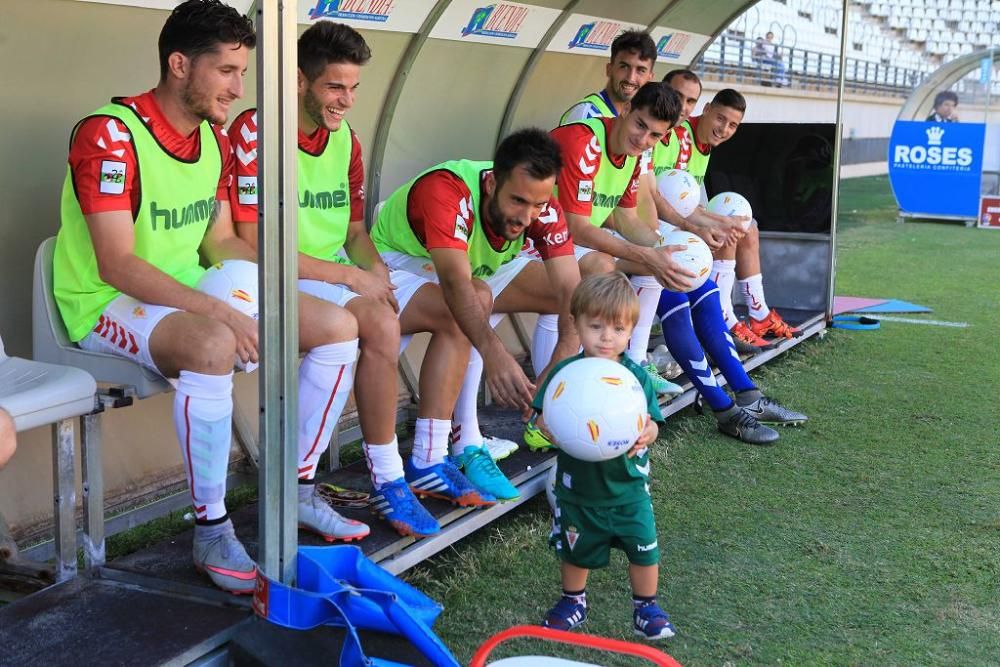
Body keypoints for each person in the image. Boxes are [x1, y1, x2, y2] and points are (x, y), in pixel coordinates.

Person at [52, 0, 364, 594]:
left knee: (336, 328)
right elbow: (117, 265)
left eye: (242, 73)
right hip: (102, 301)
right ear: (178, 64)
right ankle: (212, 529)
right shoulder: (110, 134)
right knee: (216, 343)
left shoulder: (215, 141)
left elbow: (220, 242)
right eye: (226, 72)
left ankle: (294, 486)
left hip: (184, 291)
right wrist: (222, 309)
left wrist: (276, 287)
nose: (237, 88)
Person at [229, 21, 494, 539]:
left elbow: (353, 230)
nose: (346, 100)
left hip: (330, 276)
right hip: (268, 279)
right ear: (299, 82)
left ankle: (421, 461)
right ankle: (369, 478)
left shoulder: (345, 140)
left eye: (353, 88)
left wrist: (375, 272)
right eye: (334, 87)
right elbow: (250, 241)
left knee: (461, 305)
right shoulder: (254, 132)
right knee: (375, 324)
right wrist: (350, 277)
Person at [369, 128, 582, 501]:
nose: (527, 217)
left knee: (561, 296)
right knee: (476, 297)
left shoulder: (539, 207)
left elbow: (571, 292)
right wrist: (495, 354)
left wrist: (556, 367)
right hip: (395, 264)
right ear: (491, 182)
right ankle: (453, 446)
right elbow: (455, 284)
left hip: (465, 270)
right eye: (517, 201)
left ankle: (514, 425)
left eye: (537, 205)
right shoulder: (447, 189)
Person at [643, 76, 807, 443]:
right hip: (633, 249)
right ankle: (725, 408)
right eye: (679, 102)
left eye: (688, 102)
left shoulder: (677, 142)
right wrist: (690, 229)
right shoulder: (656, 140)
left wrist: (701, 225)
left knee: (704, 298)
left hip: (657, 242)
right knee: (680, 294)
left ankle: (749, 395)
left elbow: (673, 203)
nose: (682, 112)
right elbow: (637, 208)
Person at [534, 272, 674, 640]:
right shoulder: (565, 374)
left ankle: (646, 607)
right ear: (576, 324)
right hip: (578, 489)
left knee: (643, 549)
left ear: (631, 331)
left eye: (617, 328)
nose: (606, 337)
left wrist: (648, 432)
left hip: (628, 489)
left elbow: (654, 423)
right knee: (575, 550)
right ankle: (573, 601)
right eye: (595, 326)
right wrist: (549, 424)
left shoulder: (636, 378)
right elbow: (542, 414)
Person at [551, 30, 680, 397]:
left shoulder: (633, 155)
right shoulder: (585, 135)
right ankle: (568, 390)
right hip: (533, 241)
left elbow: (624, 217)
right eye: (640, 125)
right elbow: (576, 226)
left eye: (654, 136)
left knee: (655, 262)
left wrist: (663, 246)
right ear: (625, 111)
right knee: (600, 270)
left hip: (562, 241)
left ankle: (633, 362)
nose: (643, 139)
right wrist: (646, 254)